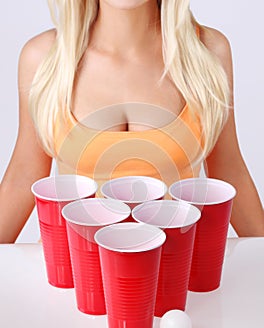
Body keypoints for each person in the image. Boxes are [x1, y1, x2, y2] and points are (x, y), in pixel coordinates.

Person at [0, 0, 263, 243]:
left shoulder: (208, 52)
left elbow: (230, 172)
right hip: (72, 281)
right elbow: (23, 176)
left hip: (176, 276)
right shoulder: (44, 59)